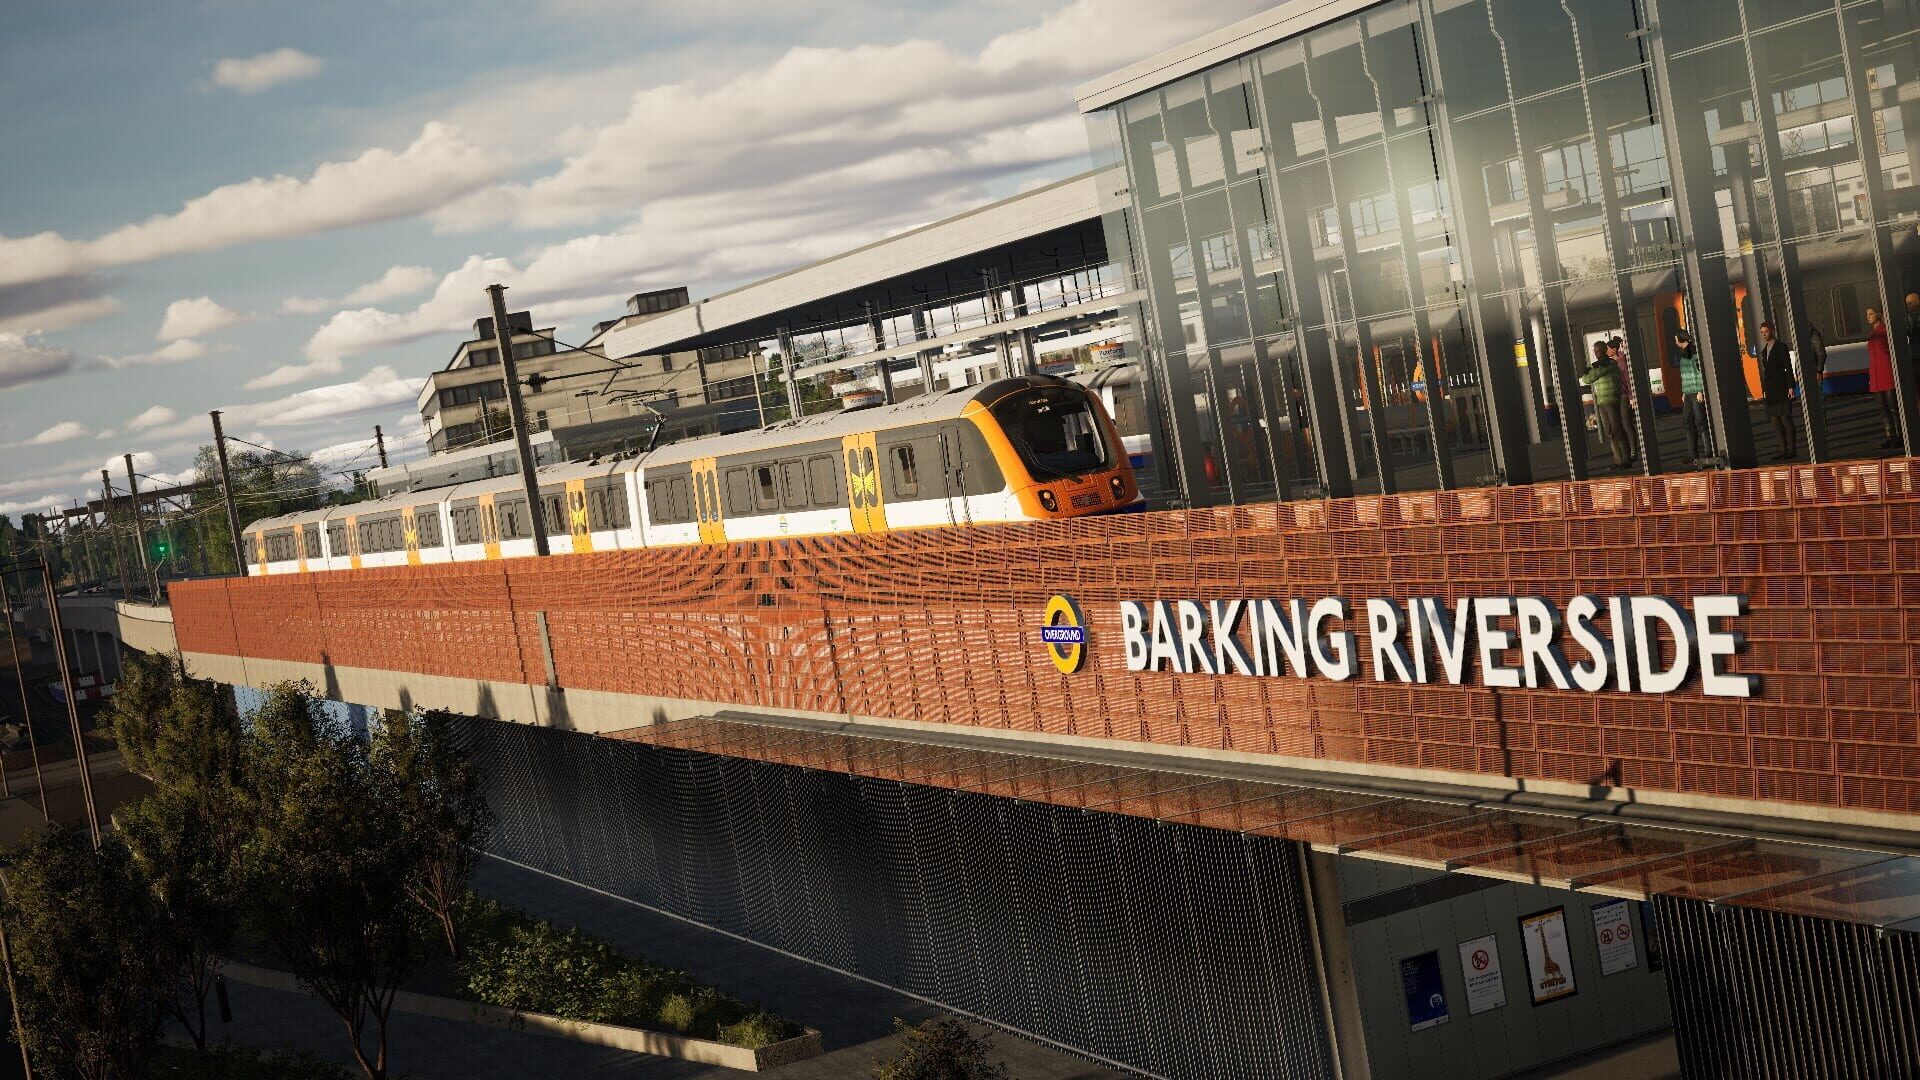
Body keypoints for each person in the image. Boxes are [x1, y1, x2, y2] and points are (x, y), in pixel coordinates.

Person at [1582, 338, 1632, 468]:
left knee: (1617, 429)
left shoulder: (1611, 364)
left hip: (1611, 400)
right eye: (1595, 351)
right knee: (1610, 432)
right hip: (1602, 402)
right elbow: (1587, 380)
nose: (1596, 353)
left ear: (1603, 351)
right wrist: (1590, 372)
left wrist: (1590, 370)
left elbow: (1591, 377)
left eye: (1598, 350)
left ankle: (1626, 459)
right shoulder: (1600, 365)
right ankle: (1618, 460)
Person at [1758, 321, 1797, 460]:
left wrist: (1791, 386)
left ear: (1772, 331)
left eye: (1766, 332)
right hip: (1771, 389)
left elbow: (1788, 367)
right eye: (1762, 332)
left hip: (1782, 386)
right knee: (1774, 420)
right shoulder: (1764, 351)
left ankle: (1792, 450)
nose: (1764, 335)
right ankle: (1783, 450)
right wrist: (1764, 390)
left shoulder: (1781, 347)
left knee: (1785, 417)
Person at [1675, 329, 1708, 465]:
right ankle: (1692, 454)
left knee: (1701, 422)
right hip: (1688, 392)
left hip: (1695, 391)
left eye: (1676, 339)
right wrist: (1683, 392)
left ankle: (1708, 451)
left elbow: (1699, 372)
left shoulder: (1693, 353)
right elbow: (1684, 375)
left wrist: (1701, 390)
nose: (1675, 341)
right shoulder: (1683, 354)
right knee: (1688, 422)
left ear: (1681, 340)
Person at [1868, 306, 1898, 449]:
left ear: (1878, 315)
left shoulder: (1885, 331)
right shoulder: (1873, 333)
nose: (1868, 316)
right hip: (1876, 377)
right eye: (1867, 314)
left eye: (1870, 313)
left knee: (1893, 408)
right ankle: (1890, 436)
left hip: (1887, 375)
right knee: (1883, 409)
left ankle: (1900, 436)